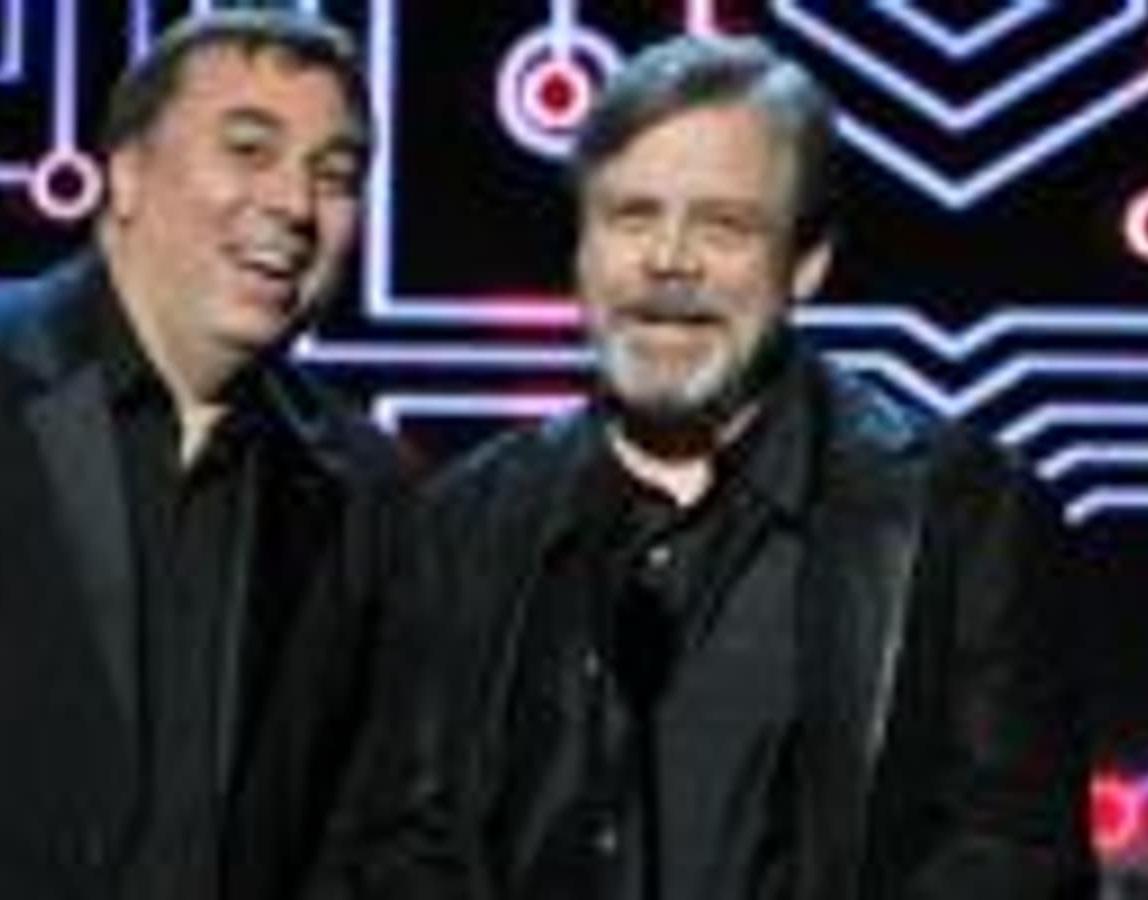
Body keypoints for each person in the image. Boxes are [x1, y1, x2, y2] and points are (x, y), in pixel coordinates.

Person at [315, 34, 1097, 900]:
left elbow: (1017, 857)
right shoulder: (466, 520)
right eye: (632, 216)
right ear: (582, 250)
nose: (669, 260)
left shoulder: (960, 516)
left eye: (723, 225)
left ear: (806, 262)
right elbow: (399, 844)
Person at [0, 9, 409, 899]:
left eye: (336, 175)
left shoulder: (362, 483)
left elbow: (355, 818)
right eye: (249, 150)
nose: (293, 204)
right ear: (125, 172)